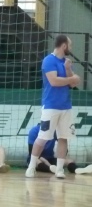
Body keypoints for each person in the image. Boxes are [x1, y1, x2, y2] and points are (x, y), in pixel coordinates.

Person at [26, 35, 80, 179]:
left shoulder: (66, 62)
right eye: (70, 45)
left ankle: (60, 170)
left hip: (66, 106)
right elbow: (54, 81)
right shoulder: (49, 60)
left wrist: (68, 70)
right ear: (64, 45)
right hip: (50, 106)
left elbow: (73, 84)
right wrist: (72, 78)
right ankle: (31, 166)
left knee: (63, 138)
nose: (71, 48)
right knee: (43, 138)